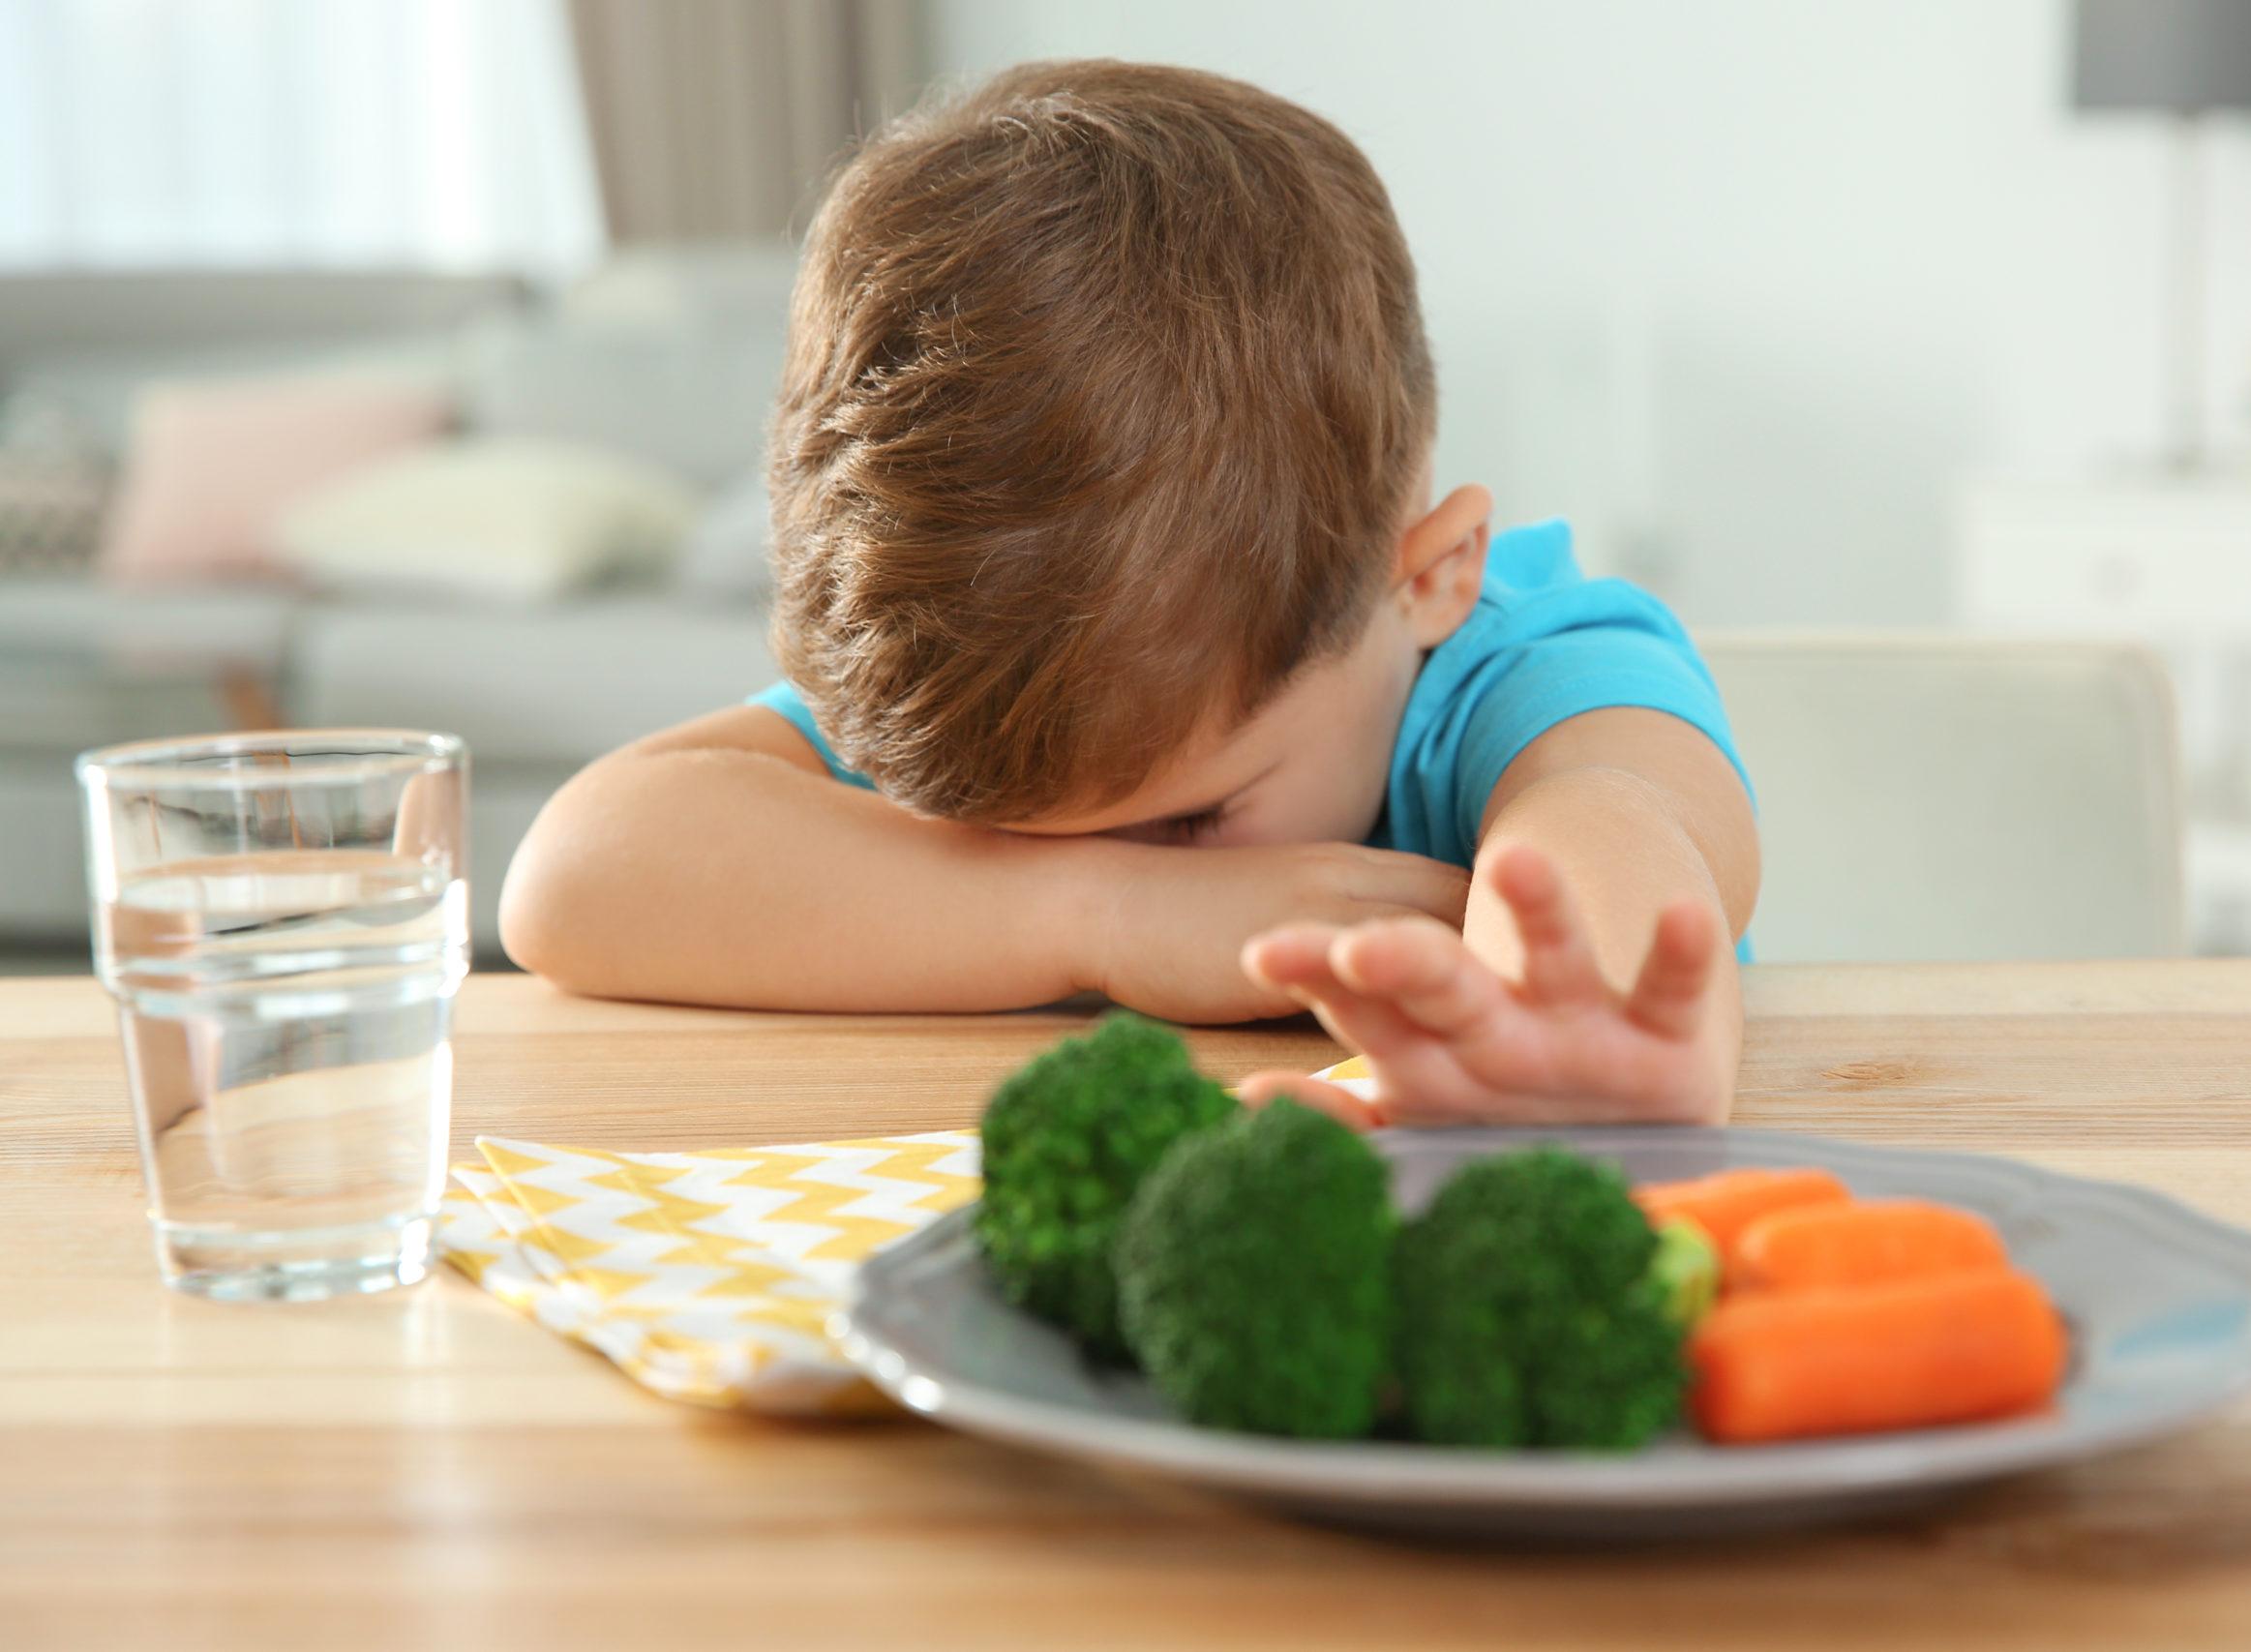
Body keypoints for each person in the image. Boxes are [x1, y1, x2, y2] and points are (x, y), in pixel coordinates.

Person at [500, 60, 1759, 1127]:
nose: (1105, 857)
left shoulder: (1525, 670)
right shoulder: (1003, 665)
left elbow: (1617, 822)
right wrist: (1106, 910)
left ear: (1426, 578)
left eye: (1189, 823)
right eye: (986, 841)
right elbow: (569, 877)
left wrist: (1556, 1042)